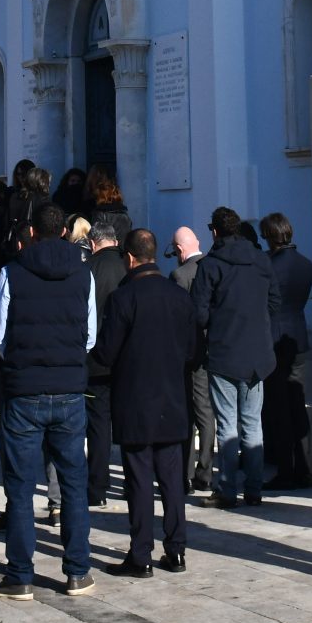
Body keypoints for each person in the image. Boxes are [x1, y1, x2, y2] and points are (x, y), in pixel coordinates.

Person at [0, 201, 96, 599]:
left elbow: (0, 336)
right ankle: (77, 571)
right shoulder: (83, 273)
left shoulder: (10, 272)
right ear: (65, 233)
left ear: (31, 232)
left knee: (19, 488)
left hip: (24, 389)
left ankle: (20, 575)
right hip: (69, 388)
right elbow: (90, 336)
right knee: (73, 484)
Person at [94, 228, 197, 578]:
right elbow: (193, 350)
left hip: (135, 399)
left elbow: (106, 352)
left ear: (130, 257)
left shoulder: (124, 298)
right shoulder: (178, 296)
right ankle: (176, 549)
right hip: (171, 397)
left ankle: (141, 554)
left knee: (138, 479)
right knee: (171, 477)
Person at [188, 207, 279, 509]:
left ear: (214, 231)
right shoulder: (261, 261)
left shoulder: (211, 265)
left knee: (228, 426)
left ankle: (228, 491)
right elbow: (273, 302)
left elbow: (198, 314)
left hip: (225, 352)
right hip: (257, 355)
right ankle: (253, 489)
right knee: (252, 424)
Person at [261, 213, 312, 489]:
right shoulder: (306, 264)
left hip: (274, 338)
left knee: (279, 407)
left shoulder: (269, 265)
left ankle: (286, 469)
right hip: (298, 335)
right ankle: (304, 467)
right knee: (297, 403)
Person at [83, 219, 129, 507]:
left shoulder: (88, 270)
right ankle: (131, 483)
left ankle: (97, 487)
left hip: (96, 359)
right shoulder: (128, 265)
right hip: (127, 358)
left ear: (92, 243)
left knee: (98, 426)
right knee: (128, 422)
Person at [170, 226, 215, 491]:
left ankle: (188, 473)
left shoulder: (179, 274)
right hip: (213, 349)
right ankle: (205, 471)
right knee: (206, 413)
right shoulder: (212, 268)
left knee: (190, 413)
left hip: (189, 353)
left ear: (178, 249)